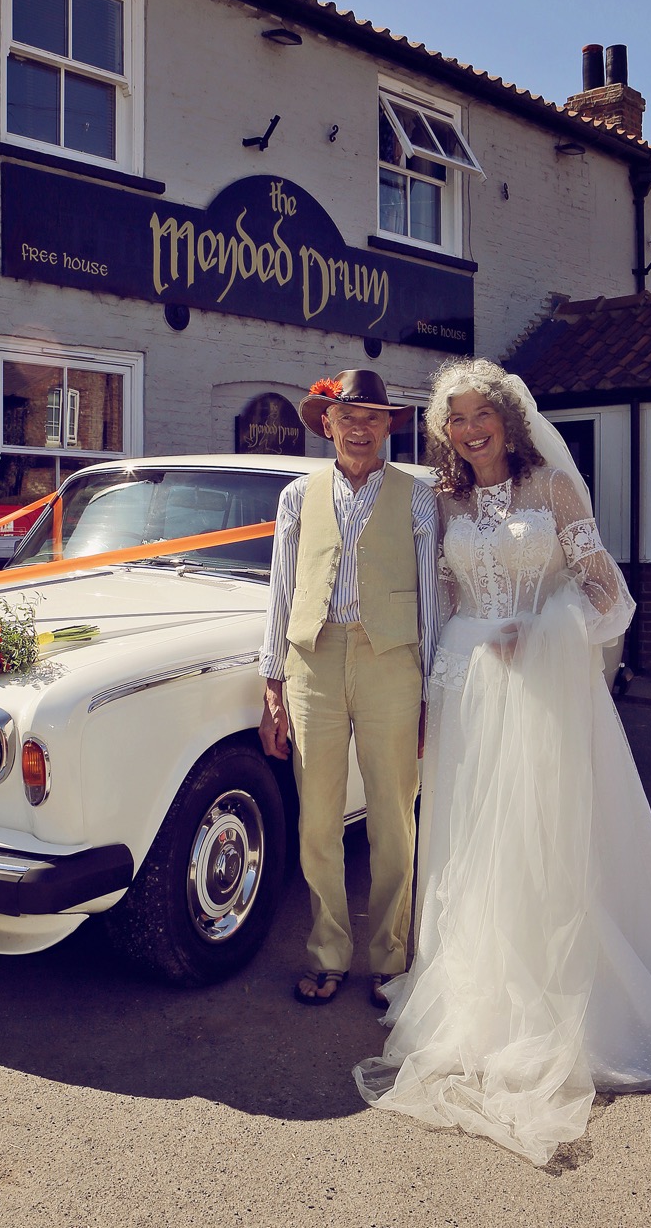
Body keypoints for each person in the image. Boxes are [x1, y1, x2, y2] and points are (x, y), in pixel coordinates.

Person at [353, 357, 651, 1165]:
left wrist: (540, 630)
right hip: (466, 684)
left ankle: (565, 998)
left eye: (478, 415)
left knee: (544, 835)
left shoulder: (554, 492)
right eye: (454, 420)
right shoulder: (443, 498)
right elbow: (443, 598)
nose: (468, 430)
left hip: (541, 688)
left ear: (507, 417)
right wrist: (432, 682)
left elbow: (608, 595)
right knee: (473, 841)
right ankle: (476, 990)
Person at [259, 369, 439, 1008]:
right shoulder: (296, 496)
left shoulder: (417, 496)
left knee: (394, 814)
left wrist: (429, 691)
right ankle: (327, 953)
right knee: (318, 817)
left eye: (373, 417)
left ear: (389, 425)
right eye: (348, 417)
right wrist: (273, 684)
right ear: (326, 424)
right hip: (314, 660)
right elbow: (281, 590)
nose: (360, 428)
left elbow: (430, 600)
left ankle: (392, 957)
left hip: (392, 656)